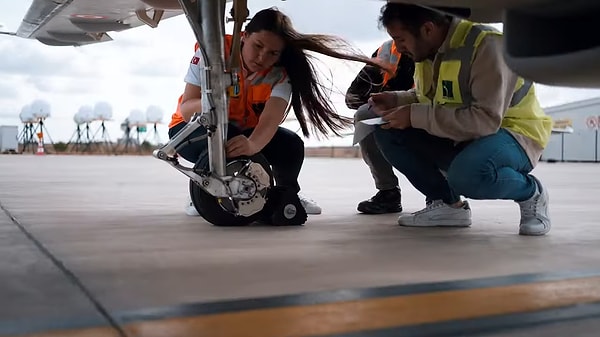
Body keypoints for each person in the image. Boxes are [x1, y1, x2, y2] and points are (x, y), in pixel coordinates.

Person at [168, 7, 393, 218]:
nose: (262, 58)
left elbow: (270, 119)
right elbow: (187, 107)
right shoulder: (211, 55)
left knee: (291, 144)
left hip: (245, 133)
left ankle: (286, 194)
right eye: (258, 46)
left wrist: (253, 144)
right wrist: (216, 102)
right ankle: (204, 193)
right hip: (191, 130)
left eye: (273, 53)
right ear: (244, 35)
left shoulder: (280, 75)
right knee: (228, 134)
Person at [369, 3, 554, 235]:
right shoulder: (428, 51)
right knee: (386, 129)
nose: (397, 46)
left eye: (400, 38)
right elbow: (429, 98)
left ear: (427, 29)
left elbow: (485, 121)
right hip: (467, 134)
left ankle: (531, 193)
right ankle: (448, 205)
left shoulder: (486, 46)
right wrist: (396, 99)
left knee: (468, 176)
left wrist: (413, 115)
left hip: (513, 134)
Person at [345, 40, 415, 214]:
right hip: (396, 114)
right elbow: (352, 96)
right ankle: (388, 191)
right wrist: (380, 103)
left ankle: (443, 196)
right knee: (364, 115)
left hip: (434, 113)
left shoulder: (440, 47)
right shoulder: (387, 51)